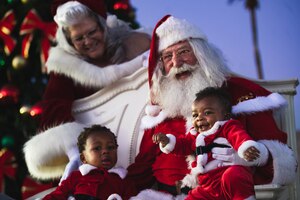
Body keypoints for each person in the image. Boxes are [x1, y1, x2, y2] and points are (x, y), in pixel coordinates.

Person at [126, 15, 297, 198]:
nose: (176, 63)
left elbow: (284, 162)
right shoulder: (162, 110)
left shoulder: (240, 95)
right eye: (168, 56)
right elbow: (139, 174)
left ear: (202, 55)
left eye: (184, 52)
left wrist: (249, 158)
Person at [23, 0, 150, 182]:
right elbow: (54, 109)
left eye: (92, 32)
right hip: (99, 166)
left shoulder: (133, 43)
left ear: (102, 26)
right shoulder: (65, 70)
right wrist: (75, 151)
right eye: (79, 38)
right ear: (69, 42)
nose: (88, 41)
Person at [153, 87, 270, 200]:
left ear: (226, 116)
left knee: (234, 175)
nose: (199, 118)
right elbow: (183, 145)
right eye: (195, 115)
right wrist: (167, 141)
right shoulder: (194, 135)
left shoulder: (228, 127)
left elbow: (239, 137)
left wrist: (246, 148)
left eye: (207, 112)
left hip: (228, 179)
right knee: (193, 196)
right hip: (207, 185)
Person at [43, 124, 137, 200]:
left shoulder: (122, 179)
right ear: (83, 158)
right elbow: (58, 194)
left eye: (111, 147)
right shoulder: (77, 176)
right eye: (97, 148)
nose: (105, 151)